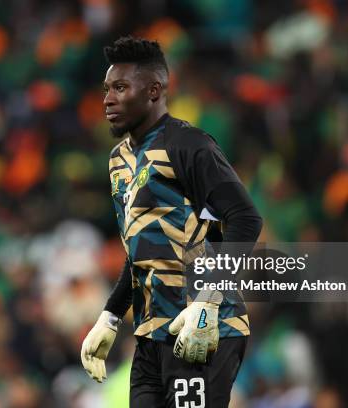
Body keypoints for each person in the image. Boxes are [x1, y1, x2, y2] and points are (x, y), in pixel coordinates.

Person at [80, 36, 262, 407]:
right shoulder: (118, 161)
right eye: (106, 89)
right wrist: (110, 316)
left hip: (203, 327)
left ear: (153, 91)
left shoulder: (189, 145)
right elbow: (141, 252)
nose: (108, 99)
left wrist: (209, 300)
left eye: (120, 88)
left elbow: (245, 218)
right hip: (150, 336)